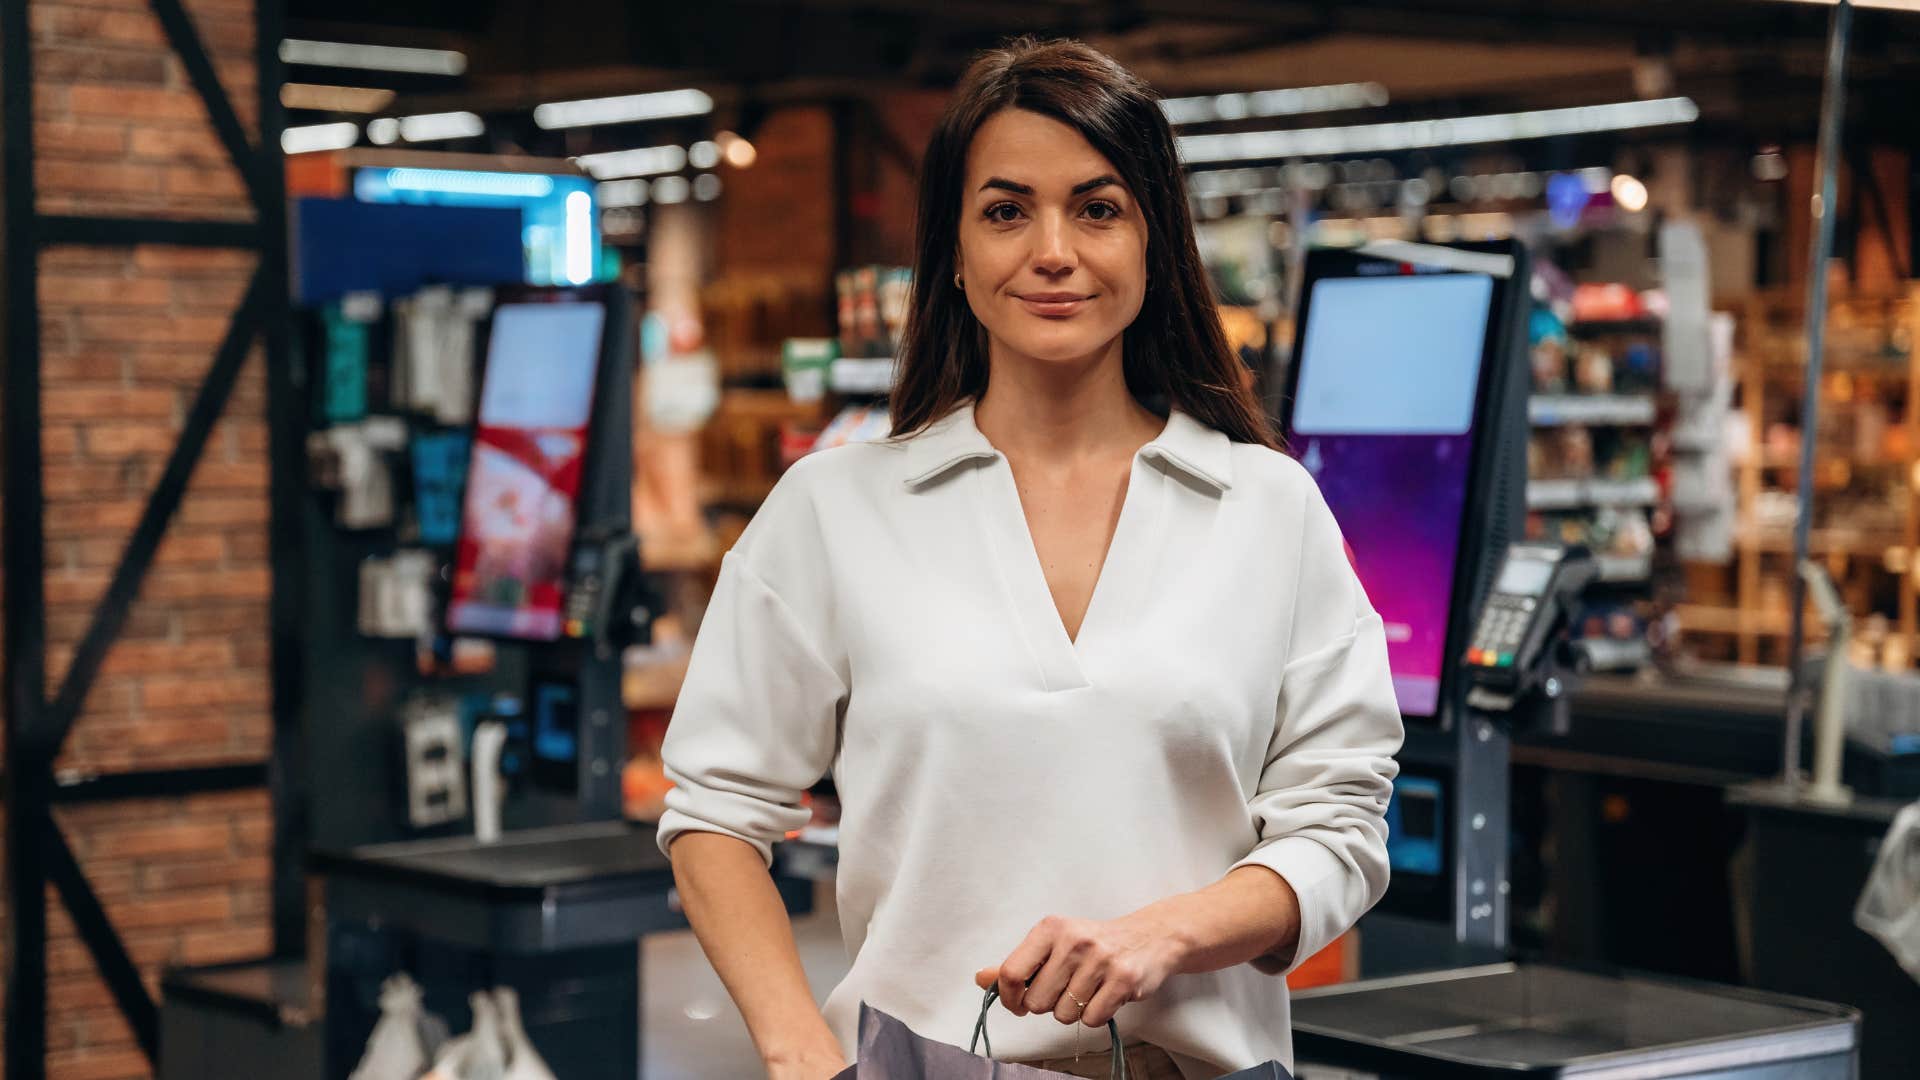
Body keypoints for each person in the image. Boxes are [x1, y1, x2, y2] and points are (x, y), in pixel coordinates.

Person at [657, 36, 1403, 1080]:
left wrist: (1167, 933)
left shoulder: (1268, 510)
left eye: (1097, 209)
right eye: (1006, 211)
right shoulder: (836, 509)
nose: (1053, 250)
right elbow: (714, 811)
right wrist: (799, 1052)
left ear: (1154, 243)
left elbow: (1342, 824)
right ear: (955, 255)